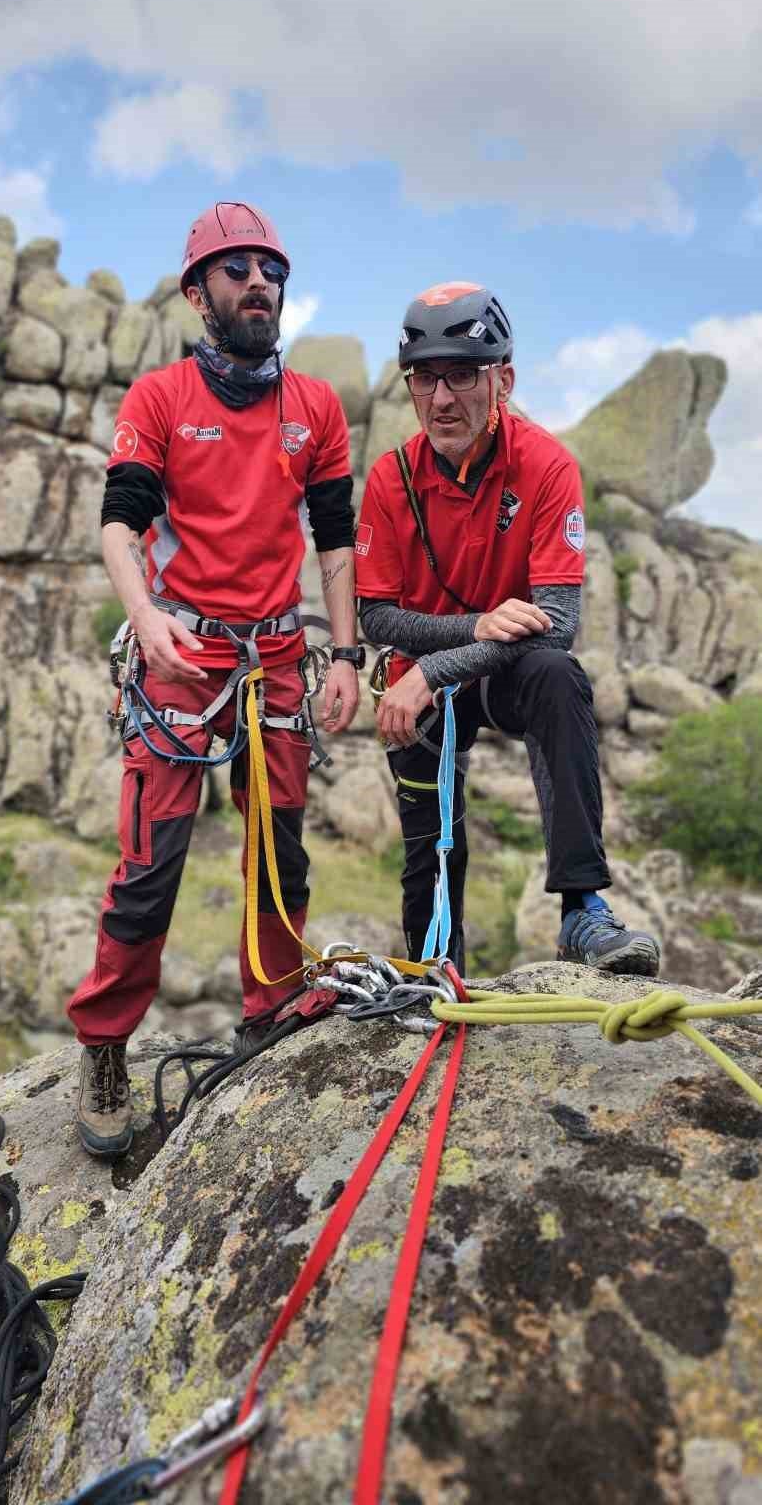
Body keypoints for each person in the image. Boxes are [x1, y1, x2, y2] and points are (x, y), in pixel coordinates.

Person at [68, 201, 364, 1156]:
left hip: (276, 655)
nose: (258, 283)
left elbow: (336, 540)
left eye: (268, 268)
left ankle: (271, 1011)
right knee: (149, 864)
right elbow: (121, 523)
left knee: (278, 848)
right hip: (182, 654)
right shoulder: (160, 400)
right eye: (235, 270)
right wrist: (146, 616)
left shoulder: (314, 408)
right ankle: (106, 1043)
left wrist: (349, 654)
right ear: (199, 293)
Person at [355, 280, 660, 980]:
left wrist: (433, 669)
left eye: (462, 374)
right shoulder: (390, 478)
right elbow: (376, 615)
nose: (440, 397)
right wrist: (466, 633)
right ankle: (437, 972)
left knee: (558, 678)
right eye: (424, 377)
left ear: (504, 379)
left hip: (487, 673)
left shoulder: (547, 465)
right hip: (420, 685)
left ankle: (582, 909)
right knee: (433, 849)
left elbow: (555, 627)